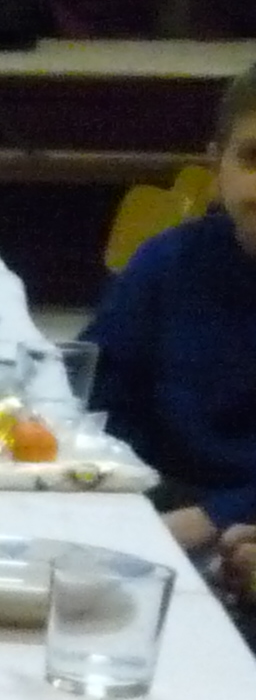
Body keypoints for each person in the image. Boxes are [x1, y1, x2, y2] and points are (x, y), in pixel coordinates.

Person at [89, 60, 256, 560]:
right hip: (156, 503)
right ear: (216, 168)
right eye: (253, 158)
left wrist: (216, 517)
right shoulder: (170, 262)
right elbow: (98, 397)